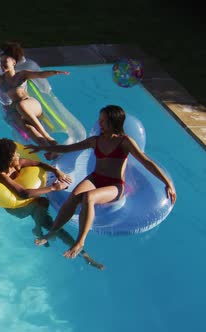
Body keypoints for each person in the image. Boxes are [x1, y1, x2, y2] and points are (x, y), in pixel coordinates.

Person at [26, 105, 177, 259]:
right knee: (74, 196)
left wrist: (167, 183)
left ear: (113, 123)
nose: (99, 124)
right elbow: (68, 148)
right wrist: (40, 147)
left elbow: (146, 162)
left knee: (89, 197)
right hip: (95, 178)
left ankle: (80, 242)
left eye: (103, 121)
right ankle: (52, 232)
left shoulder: (124, 142)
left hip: (114, 185)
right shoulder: (96, 140)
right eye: (100, 120)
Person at [0, 139, 104, 269]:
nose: (19, 155)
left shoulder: (18, 163)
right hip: (18, 208)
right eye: (15, 154)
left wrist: (55, 171)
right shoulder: (2, 176)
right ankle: (83, 254)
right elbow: (23, 194)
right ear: (8, 160)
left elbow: (39, 163)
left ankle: (38, 229)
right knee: (52, 225)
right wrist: (53, 188)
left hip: (32, 201)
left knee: (44, 205)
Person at [7, 198, 105, 270]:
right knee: (45, 210)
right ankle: (40, 233)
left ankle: (41, 233)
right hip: (27, 207)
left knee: (54, 228)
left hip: (29, 207)